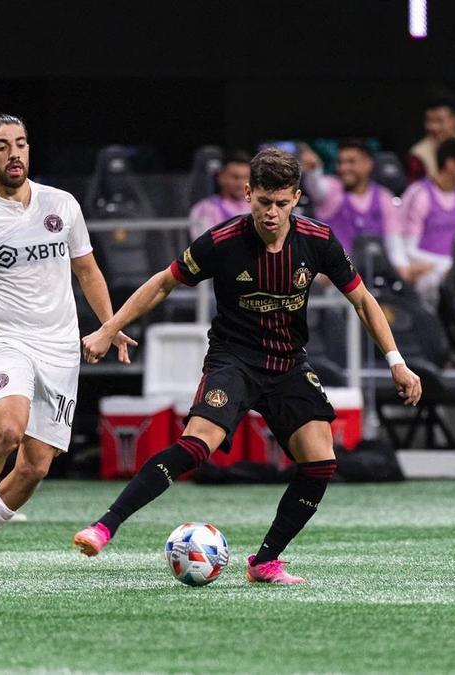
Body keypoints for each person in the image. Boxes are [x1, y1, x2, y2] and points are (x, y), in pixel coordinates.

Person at [72, 148, 422, 584]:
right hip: (233, 359)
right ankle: (106, 525)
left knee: (321, 461)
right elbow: (163, 283)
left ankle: (265, 562)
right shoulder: (222, 241)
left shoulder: (318, 240)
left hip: (288, 363)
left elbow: (364, 301)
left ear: (296, 198)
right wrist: (109, 328)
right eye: (262, 202)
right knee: (198, 444)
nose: (271, 213)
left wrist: (397, 362)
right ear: (247, 193)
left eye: (280, 203)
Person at [0, 114, 134, 573]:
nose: (14, 153)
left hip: (61, 349)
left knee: (36, 466)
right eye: (2, 146)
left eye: (20, 143)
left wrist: (109, 323)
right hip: (10, 340)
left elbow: (88, 271)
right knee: (6, 430)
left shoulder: (61, 205)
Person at [390, 137, 455, 308]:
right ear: (451, 164)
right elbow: (407, 249)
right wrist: (444, 268)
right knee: (432, 281)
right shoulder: (419, 195)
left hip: (451, 270)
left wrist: (450, 268)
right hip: (423, 273)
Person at [299, 139, 400, 253]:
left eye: (351, 162)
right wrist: (313, 170)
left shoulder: (384, 198)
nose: (343, 168)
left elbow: (394, 244)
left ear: (368, 164)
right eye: (340, 162)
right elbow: (316, 188)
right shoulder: (333, 190)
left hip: (375, 268)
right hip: (333, 269)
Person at [188, 151, 251, 239]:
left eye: (245, 177)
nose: (240, 183)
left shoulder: (257, 206)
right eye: (235, 177)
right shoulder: (204, 208)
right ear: (221, 177)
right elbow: (203, 244)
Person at [406, 98, 455, 183]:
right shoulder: (418, 155)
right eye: (429, 121)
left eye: (439, 121)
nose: (433, 127)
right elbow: (415, 189)